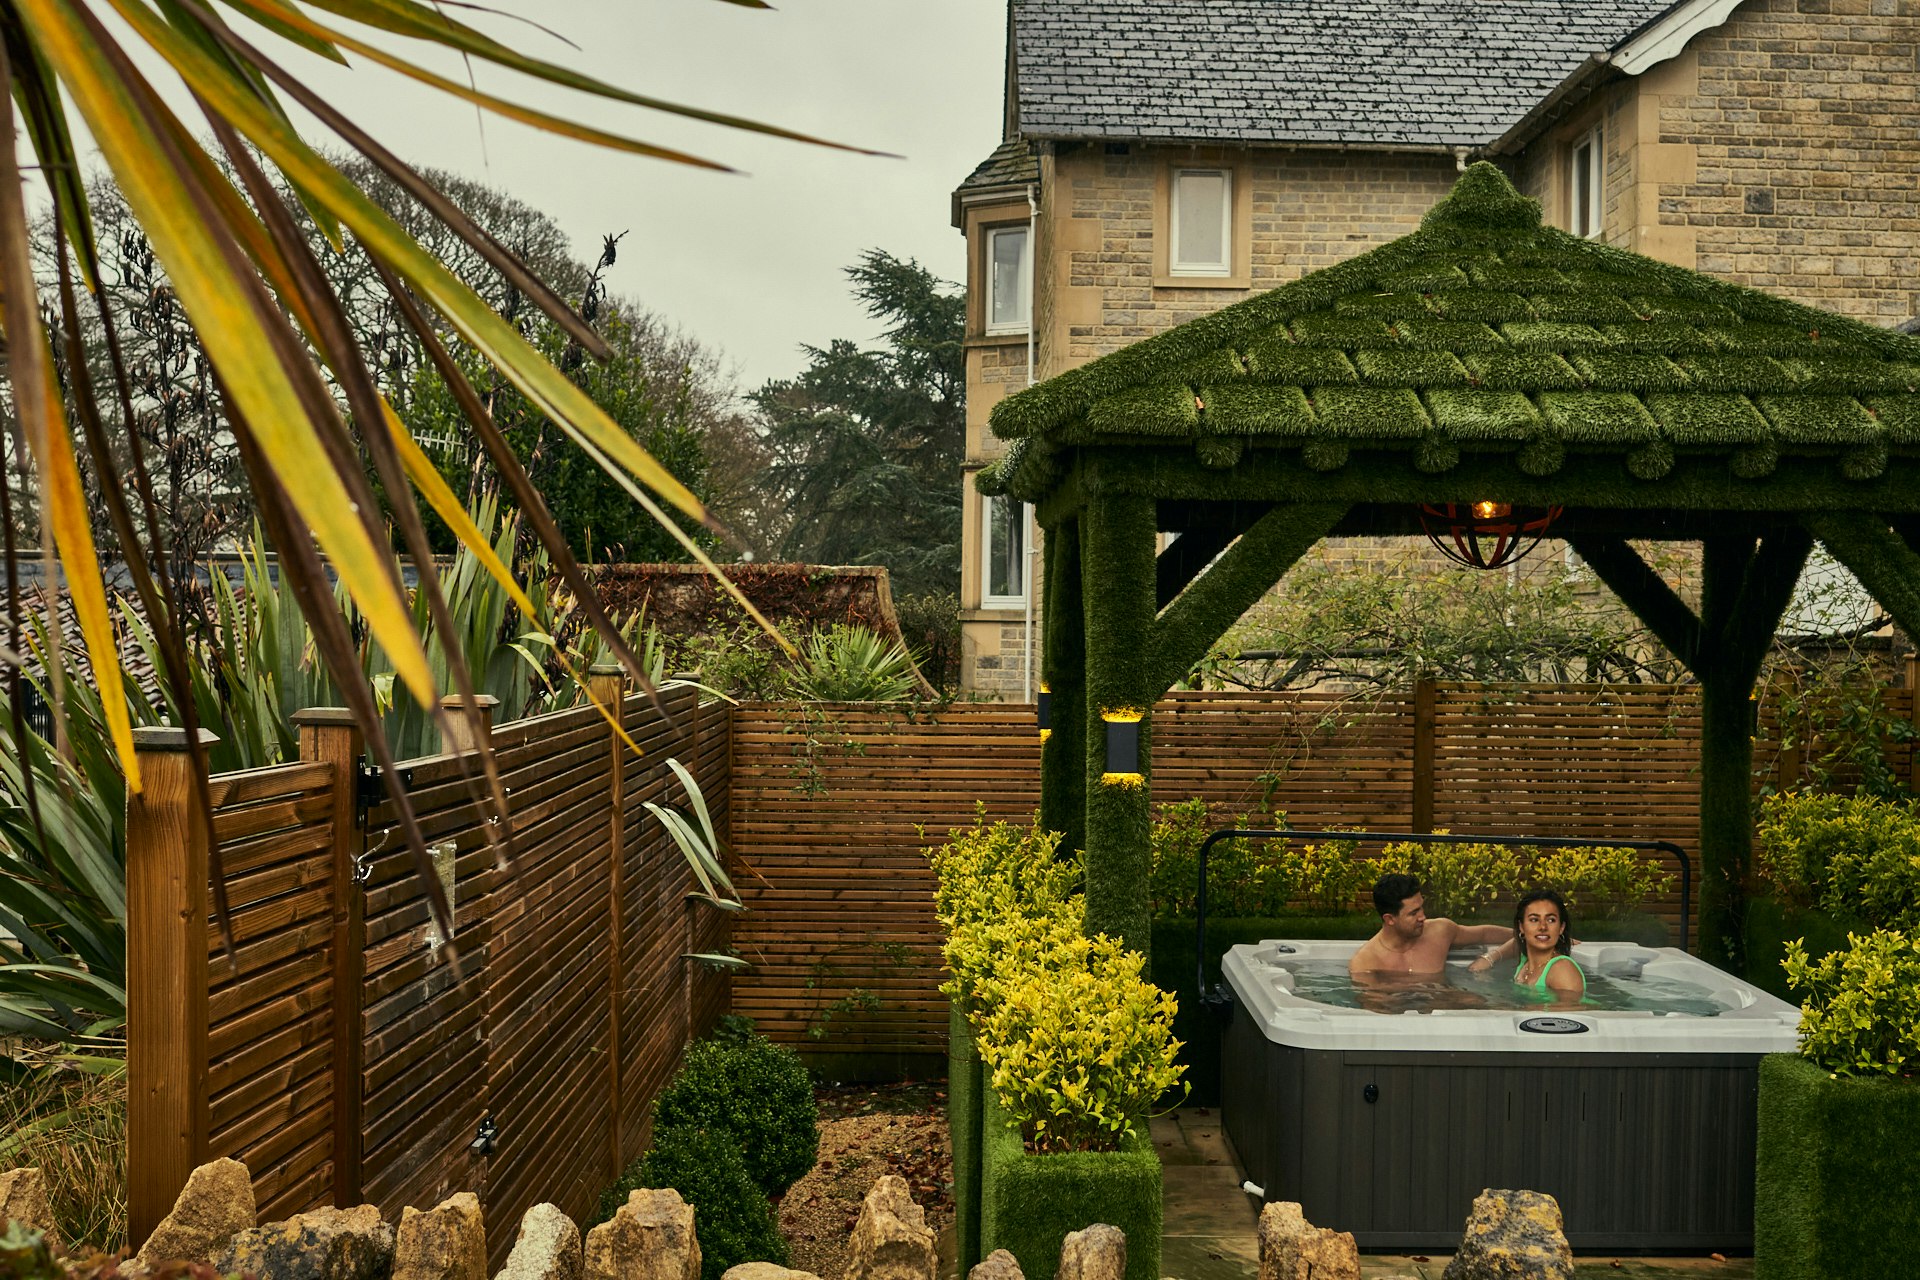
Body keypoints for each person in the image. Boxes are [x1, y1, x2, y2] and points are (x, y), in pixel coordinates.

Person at [1347, 873, 1516, 975]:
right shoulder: (1365, 962)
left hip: (1444, 1004)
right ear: (1389, 919)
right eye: (1413, 913)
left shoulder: (1439, 931)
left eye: (1421, 908)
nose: (1423, 917)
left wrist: (1524, 933)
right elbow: (1377, 1014)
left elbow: (1483, 934)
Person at [1469, 888, 1585, 1002]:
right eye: (1534, 920)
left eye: (1551, 920)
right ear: (1521, 927)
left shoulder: (1562, 968)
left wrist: (1514, 1009)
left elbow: (1573, 1013)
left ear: (1561, 928)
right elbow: (1516, 943)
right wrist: (1489, 958)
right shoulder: (1526, 963)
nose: (1543, 927)